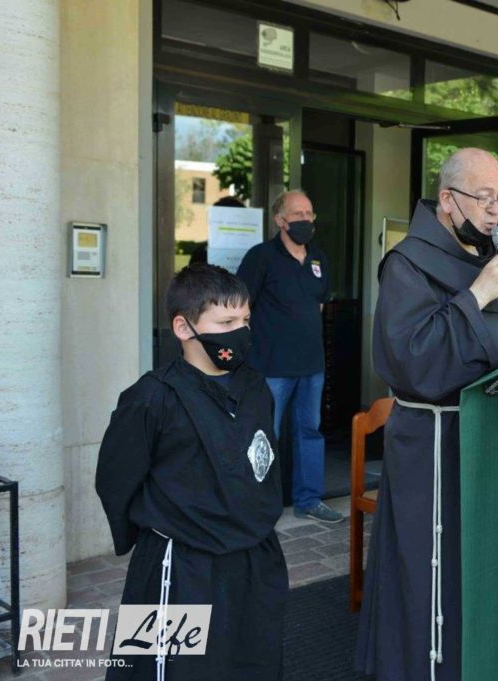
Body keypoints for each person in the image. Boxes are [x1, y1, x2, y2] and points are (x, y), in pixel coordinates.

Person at [356, 148, 498, 680]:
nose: (496, 211)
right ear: (447, 200)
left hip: (482, 435)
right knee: (431, 565)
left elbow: (490, 347)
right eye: (485, 197)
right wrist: (476, 295)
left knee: (476, 561)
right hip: (432, 439)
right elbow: (410, 360)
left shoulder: (481, 257)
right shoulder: (406, 263)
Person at [95, 263, 287, 680]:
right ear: (184, 328)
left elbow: (264, 460)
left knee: (252, 658)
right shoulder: (152, 397)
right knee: (175, 668)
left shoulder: (255, 386)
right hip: (184, 563)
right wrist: (162, 526)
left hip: (254, 555)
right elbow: (116, 477)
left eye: (245, 320)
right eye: (226, 323)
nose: (241, 331)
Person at [236, 190, 342, 523]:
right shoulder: (261, 257)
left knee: (309, 432)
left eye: (309, 214)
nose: (306, 220)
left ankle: (308, 500)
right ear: (280, 220)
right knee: (265, 435)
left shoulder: (318, 258)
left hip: (311, 366)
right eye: (298, 215)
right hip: (271, 367)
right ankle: (256, 507)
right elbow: (240, 306)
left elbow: (319, 304)